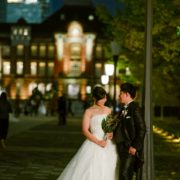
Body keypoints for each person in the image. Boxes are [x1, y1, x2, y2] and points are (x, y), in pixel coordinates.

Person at [57, 86, 119, 180]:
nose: (104, 100)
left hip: (108, 143)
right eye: (101, 99)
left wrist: (111, 133)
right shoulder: (89, 111)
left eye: (105, 98)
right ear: (94, 98)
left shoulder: (108, 110)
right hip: (94, 141)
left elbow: (111, 127)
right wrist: (98, 142)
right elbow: (85, 130)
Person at [114, 82, 146, 180]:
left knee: (124, 175)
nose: (119, 95)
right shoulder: (122, 109)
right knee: (124, 174)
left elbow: (142, 129)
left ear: (127, 94)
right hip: (121, 147)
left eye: (121, 93)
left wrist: (134, 146)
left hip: (129, 147)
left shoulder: (135, 109)